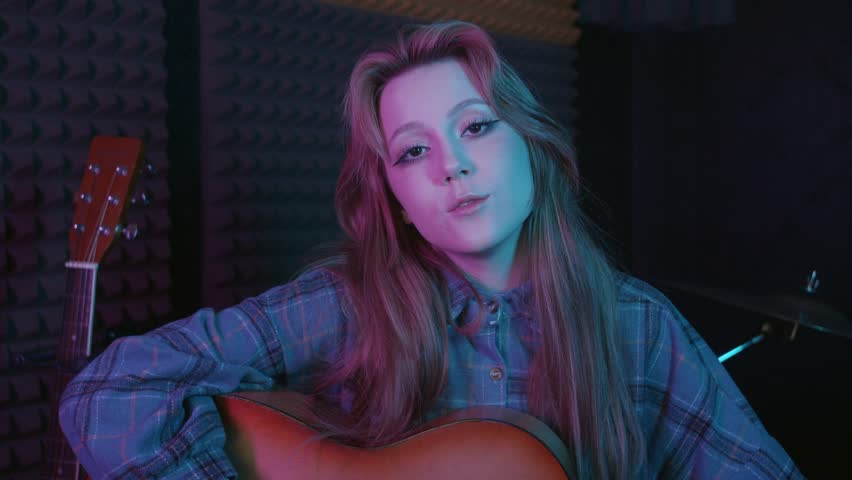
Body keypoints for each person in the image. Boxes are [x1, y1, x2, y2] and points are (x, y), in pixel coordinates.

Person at [59, 20, 803, 479]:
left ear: (533, 147)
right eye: (415, 151)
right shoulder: (342, 307)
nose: (453, 166)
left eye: (476, 127)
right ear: (398, 201)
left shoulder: (638, 328)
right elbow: (107, 394)